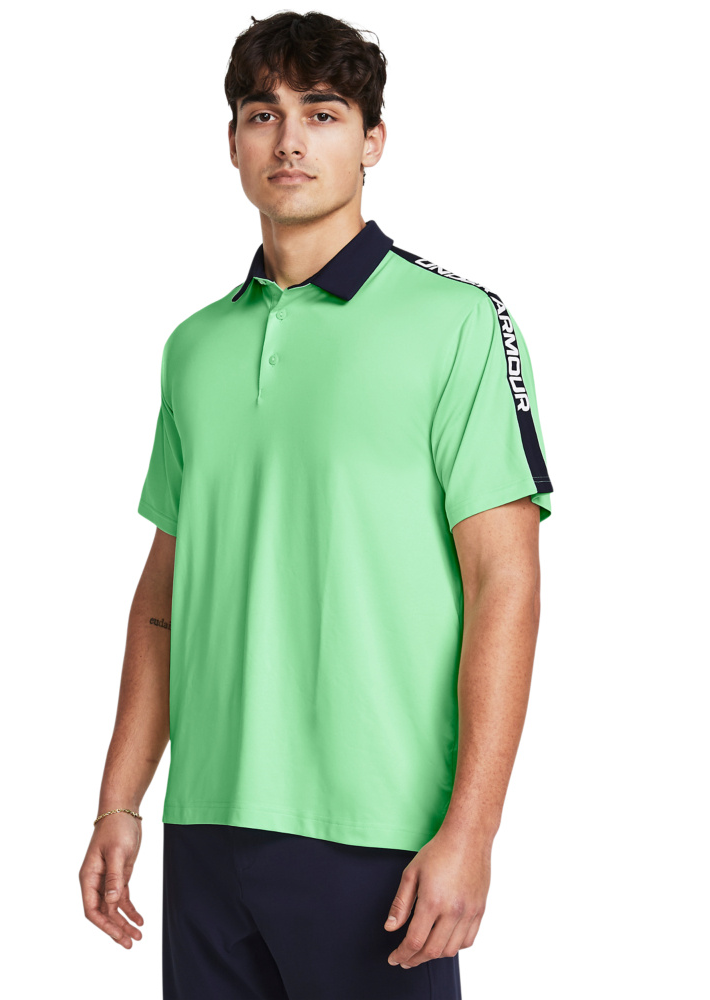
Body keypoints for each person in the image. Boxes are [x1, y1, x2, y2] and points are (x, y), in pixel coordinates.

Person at [79, 10, 553, 999]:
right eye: (264, 115)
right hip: (206, 826)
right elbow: (165, 597)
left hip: (379, 834)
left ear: (372, 140)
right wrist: (120, 801)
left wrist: (472, 830)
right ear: (233, 143)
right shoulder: (194, 347)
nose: (290, 140)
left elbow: (503, 583)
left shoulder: (458, 323)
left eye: (324, 113)